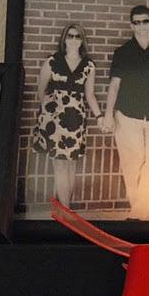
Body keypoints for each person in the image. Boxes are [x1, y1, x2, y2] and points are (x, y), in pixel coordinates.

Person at [102, 5, 149, 220]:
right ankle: (142, 215)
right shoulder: (123, 53)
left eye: (145, 21)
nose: (141, 26)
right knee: (132, 165)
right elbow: (114, 85)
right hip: (127, 115)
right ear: (131, 25)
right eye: (136, 22)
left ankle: (138, 215)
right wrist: (108, 114)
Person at [33, 23, 104, 208]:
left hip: (75, 120)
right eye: (70, 36)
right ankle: (65, 211)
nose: (73, 40)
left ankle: (66, 207)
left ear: (82, 40)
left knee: (71, 164)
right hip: (54, 120)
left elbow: (89, 95)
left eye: (77, 36)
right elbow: (41, 89)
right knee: (60, 164)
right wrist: (49, 111)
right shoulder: (52, 61)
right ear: (64, 39)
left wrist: (99, 116)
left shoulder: (89, 66)